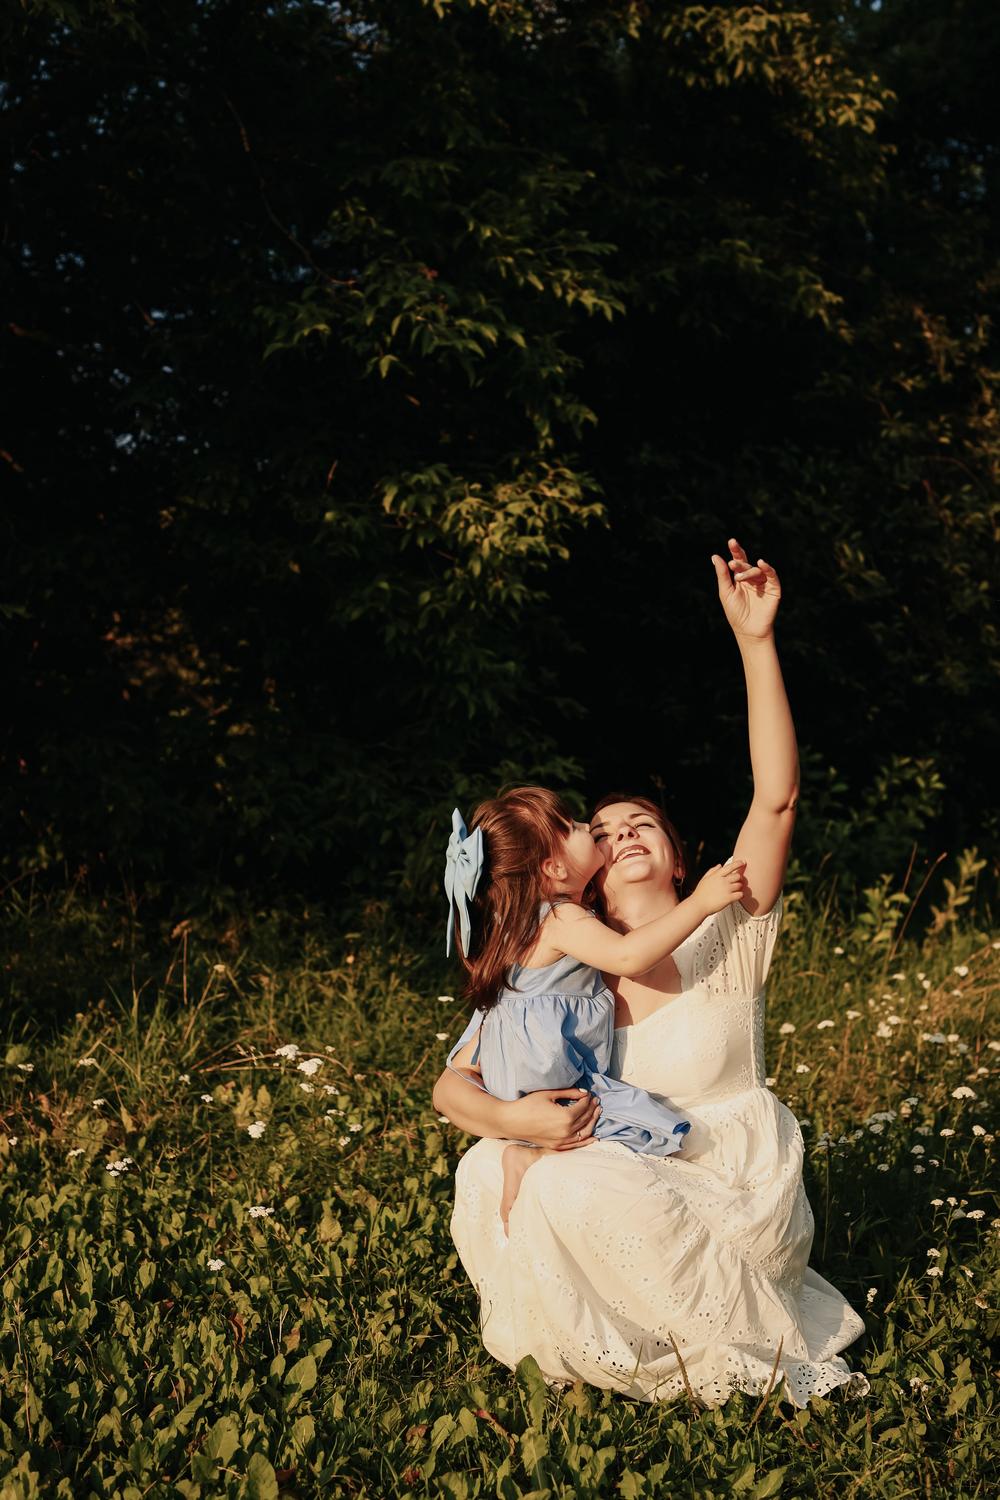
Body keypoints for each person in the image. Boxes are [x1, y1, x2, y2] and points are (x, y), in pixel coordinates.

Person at [431, 538, 869, 1408]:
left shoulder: (726, 928)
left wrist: (754, 641)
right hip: (621, 1170)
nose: (624, 832)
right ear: (579, 875)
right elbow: (453, 1085)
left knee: (564, 1175)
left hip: (727, 1179)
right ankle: (585, 1356)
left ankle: (701, 1349)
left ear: (680, 859)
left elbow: (776, 798)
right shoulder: (560, 970)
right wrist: (515, 1119)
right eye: (605, 830)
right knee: (487, 1165)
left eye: (645, 824)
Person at [443, 787, 750, 1228]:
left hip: (514, 1078)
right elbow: (629, 956)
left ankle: (532, 1153)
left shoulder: (518, 934)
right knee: (619, 1126)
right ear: (554, 868)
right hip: (546, 1071)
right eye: (572, 827)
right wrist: (701, 902)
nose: (587, 826)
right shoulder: (561, 918)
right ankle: (531, 1156)